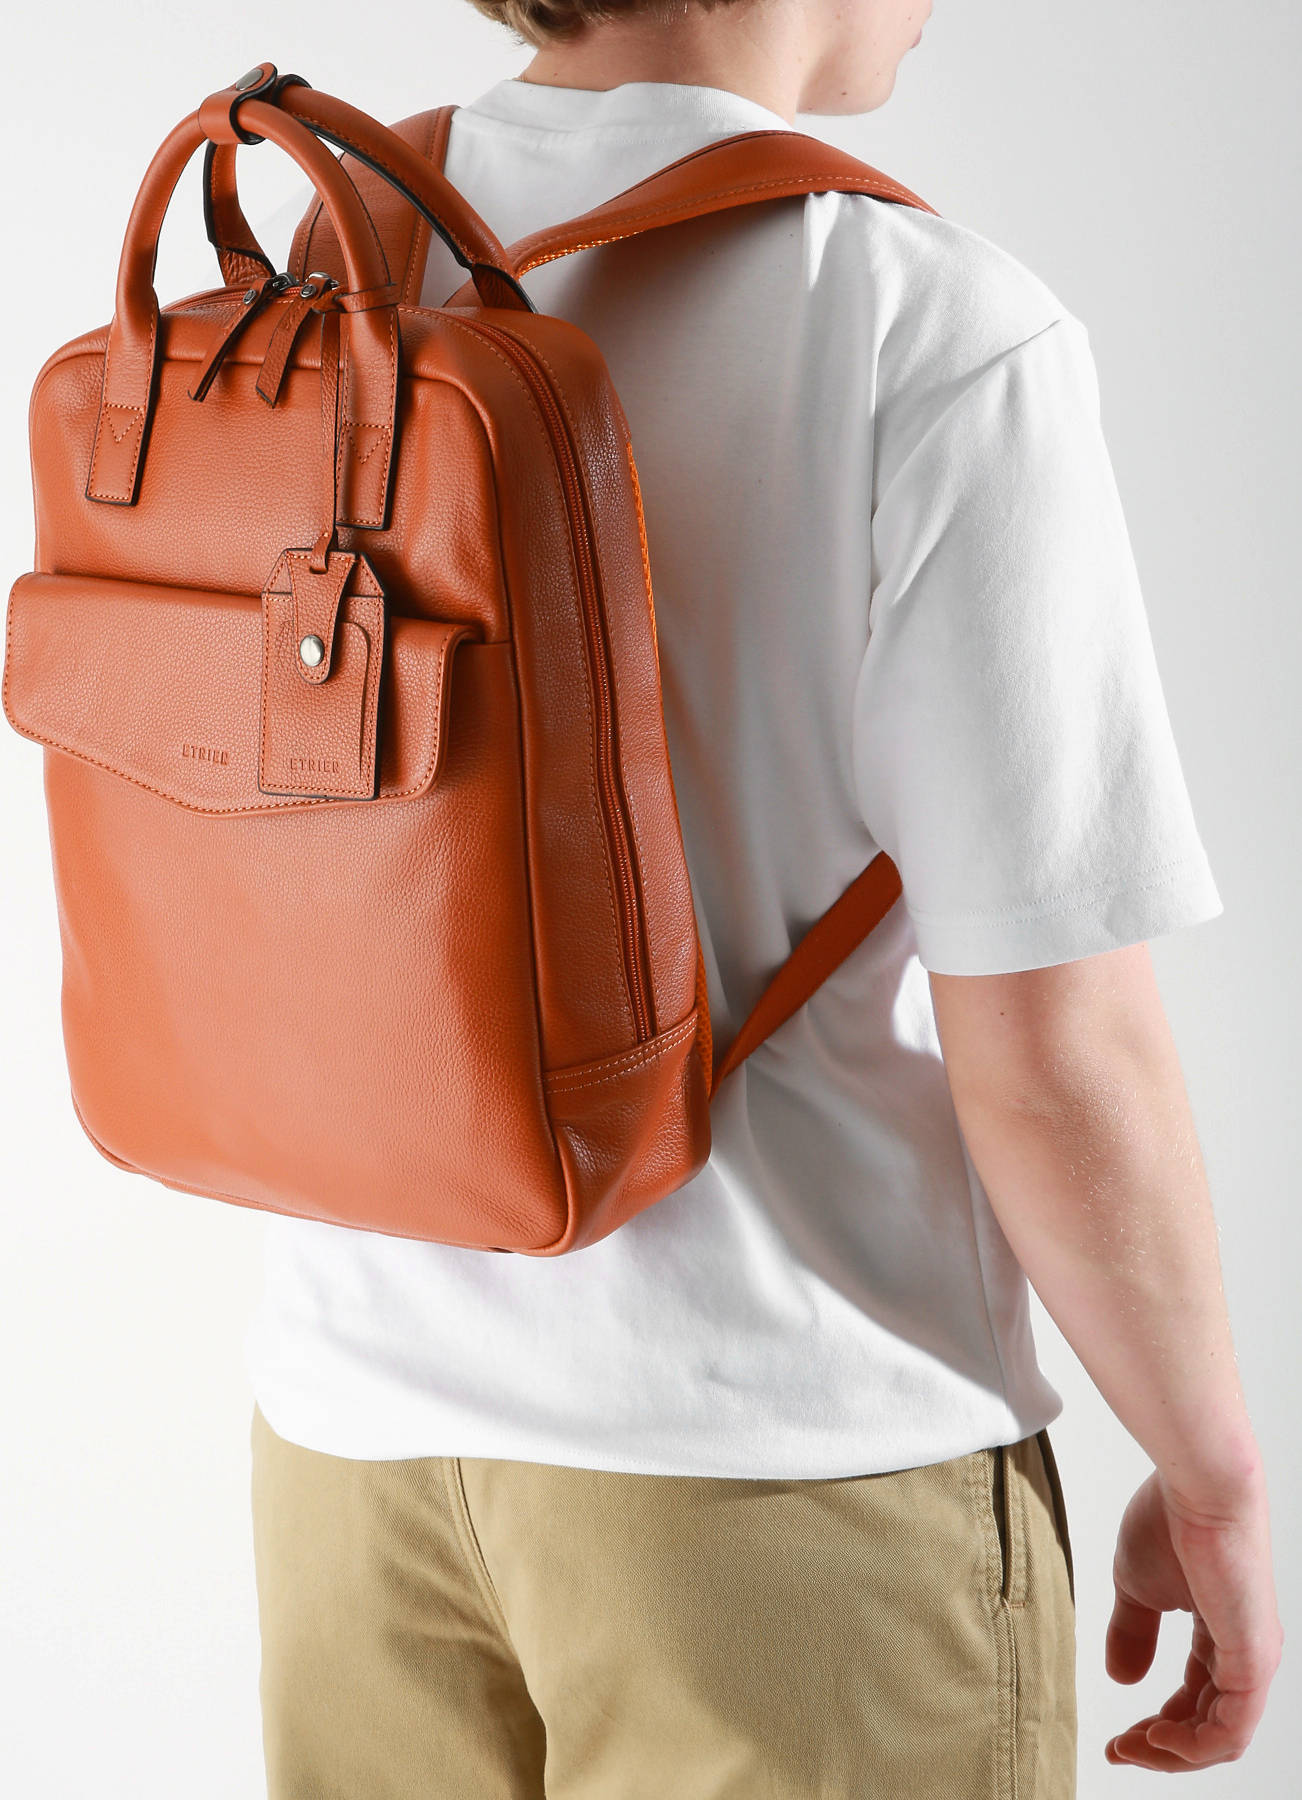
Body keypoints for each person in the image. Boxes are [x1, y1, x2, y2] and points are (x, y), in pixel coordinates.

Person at [244, 1, 1283, 1794]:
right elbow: (1055, 1050)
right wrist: (1215, 1479)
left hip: (350, 1453)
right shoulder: (918, 324)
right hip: (786, 1478)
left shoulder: (339, 248)